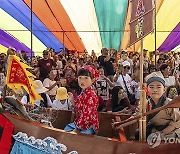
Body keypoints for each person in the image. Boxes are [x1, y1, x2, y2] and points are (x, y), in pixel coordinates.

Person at [135, 72, 180, 140]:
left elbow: (177, 121)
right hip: (154, 129)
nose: (155, 90)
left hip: (170, 130)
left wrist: (163, 133)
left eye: (158, 87)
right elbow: (136, 116)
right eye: (151, 87)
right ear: (147, 90)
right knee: (138, 133)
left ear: (164, 89)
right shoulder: (145, 104)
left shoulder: (169, 103)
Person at [64, 65, 100, 134]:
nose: (82, 81)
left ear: (92, 80)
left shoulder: (91, 96)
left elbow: (86, 116)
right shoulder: (83, 91)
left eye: (86, 78)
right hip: (79, 122)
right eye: (80, 78)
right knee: (66, 130)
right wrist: (72, 100)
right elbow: (79, 106)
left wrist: (76, 130)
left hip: (88, 125)